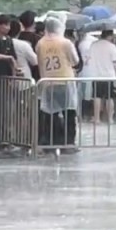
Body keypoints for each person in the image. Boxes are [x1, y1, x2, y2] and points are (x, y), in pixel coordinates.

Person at [36, 17, 80, 147]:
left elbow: (39, 62)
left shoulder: (40, 43)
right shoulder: (65, 42)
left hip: (47, 81)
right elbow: (75, 61)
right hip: (65, 80)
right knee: (69, 113)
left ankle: (52, 141)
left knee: (51, 113)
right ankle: (69, 142)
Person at [86, 29, 116, 124]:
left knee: (97, 97)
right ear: (109, 36)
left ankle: (97, 118)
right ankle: (110, 119)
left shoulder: (93, 45)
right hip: (108, 75)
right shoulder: (111, 46)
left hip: (96, 75)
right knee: (109, 98)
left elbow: (88, 58)